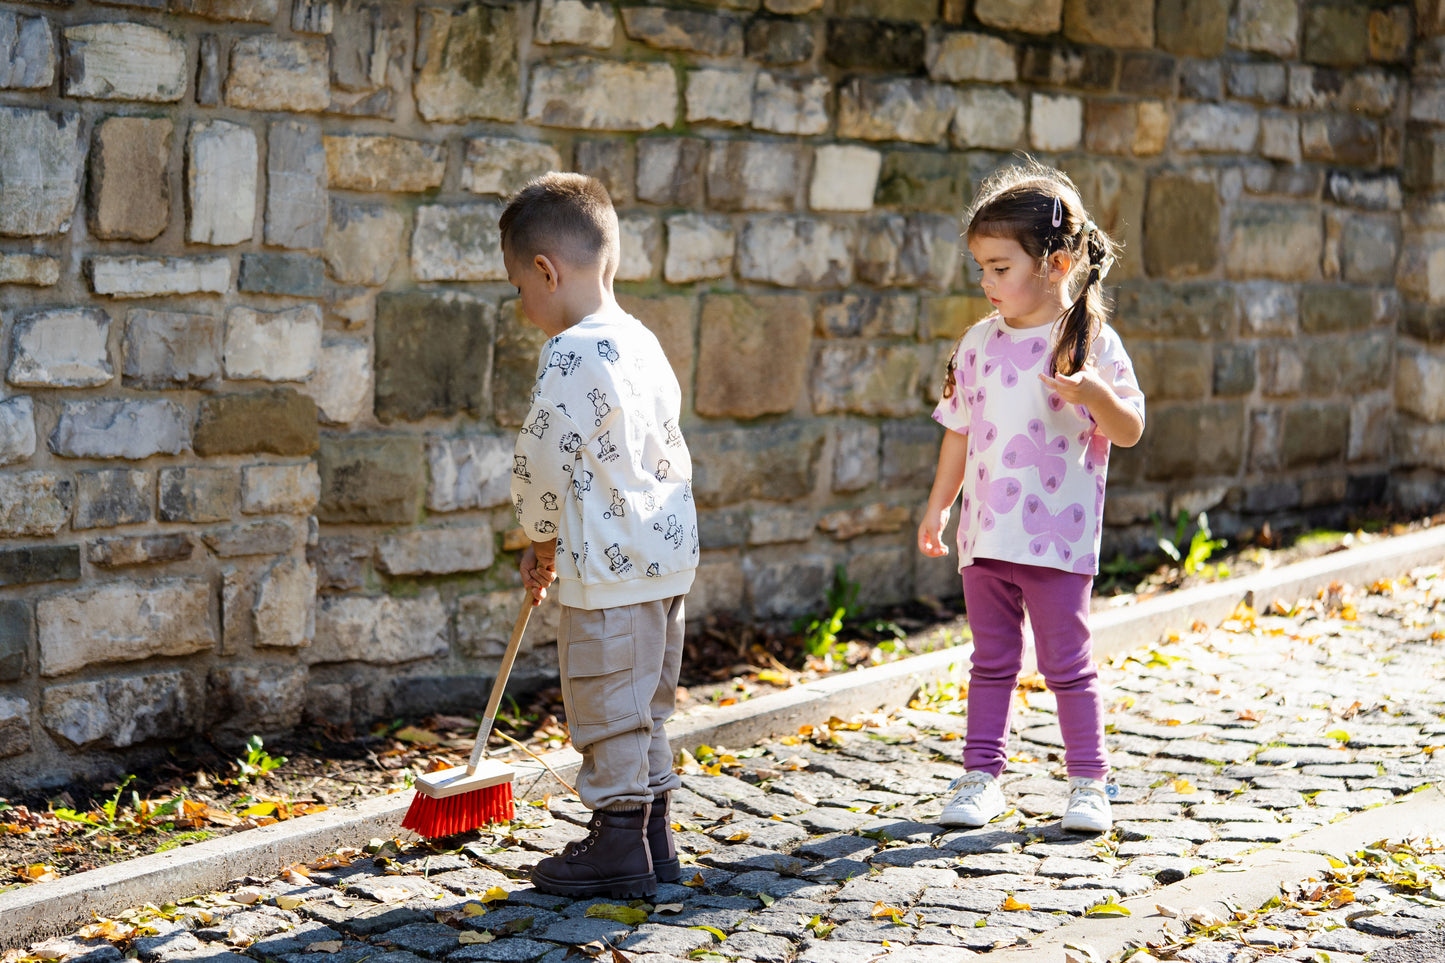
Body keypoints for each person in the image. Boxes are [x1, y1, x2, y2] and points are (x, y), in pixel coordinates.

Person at [918, 161, 1145, 834]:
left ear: (1056, 263)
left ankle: (1088, 783)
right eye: (981, 269)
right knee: (990, 662)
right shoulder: (977, 344)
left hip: (1057, 538)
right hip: (985, 537)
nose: (985, 284)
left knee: (1066, 665)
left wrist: (1094, 393)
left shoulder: (1089, 344)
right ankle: (981, 776)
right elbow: (957, 432)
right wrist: (938, 505)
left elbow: (1128, 428)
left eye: (998, 267)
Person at [505, 172, 698, 898]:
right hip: (665, 559)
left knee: (605, 697)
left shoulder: (569, 352)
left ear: (546, 271)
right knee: (645, 700)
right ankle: (653, 836)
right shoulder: (642, 340)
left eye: (521, 289)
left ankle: (618, 842)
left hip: (608, 567)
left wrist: (538, 532)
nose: (525, 307)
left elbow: (542, 458)